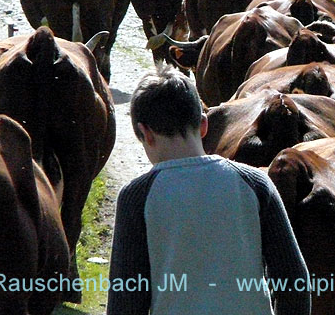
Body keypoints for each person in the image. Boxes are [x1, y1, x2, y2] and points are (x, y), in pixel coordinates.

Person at [107, 65, 311, 315]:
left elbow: (125, 299)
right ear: (203, 125)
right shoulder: (255, 184)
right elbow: (294, 282)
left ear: (145, 133)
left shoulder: (136, 197)